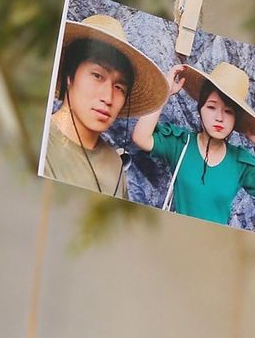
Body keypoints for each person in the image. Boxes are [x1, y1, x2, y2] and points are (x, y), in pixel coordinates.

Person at [132, 61, 255, 226]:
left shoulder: (240, 162)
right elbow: (141, 137)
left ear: (235, 120)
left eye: (228, 111)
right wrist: (165, 92)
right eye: (212, 107)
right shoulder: (181, 143)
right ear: (200, 110)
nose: (219, 117)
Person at [42, 14, 168, 199]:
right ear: (70, 75)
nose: (108, 97)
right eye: (97, 75)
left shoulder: (115, 166)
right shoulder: (42, 144)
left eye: (119, 87)